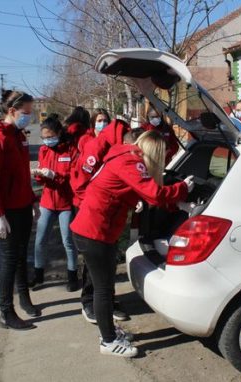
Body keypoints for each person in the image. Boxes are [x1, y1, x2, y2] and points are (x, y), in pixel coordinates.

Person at [70, 131, 194, 357]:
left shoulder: (123, 156)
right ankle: (108, 341)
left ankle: (109, 333)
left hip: (96, 230)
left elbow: (126, 190)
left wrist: (142, 200)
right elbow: (155, 194)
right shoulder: (131, 161)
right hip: (94, 233)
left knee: (104, 287)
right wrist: (183, 188)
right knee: (103, 289)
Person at [0, 90, 40, 331]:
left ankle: (25, 299)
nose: (29, 117)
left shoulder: (19, 136)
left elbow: (23, 174)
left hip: (23, 205)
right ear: (12, 111)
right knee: (9, 259)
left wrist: (33, 200)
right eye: (26, 112)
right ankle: (6, 312)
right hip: (5, 211)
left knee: (21, 255)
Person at [71, 120, 139, 323]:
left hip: (107, 210)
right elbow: (80, 181)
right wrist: (92, 206)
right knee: (94, 261)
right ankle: (89, 302)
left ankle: (107, 301)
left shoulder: (121, 144)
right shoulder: (97, 146)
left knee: (107, 262)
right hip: (91, 208)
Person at [31, 114, 79, 292]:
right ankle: (38, 276)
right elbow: (43, 178)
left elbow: (74, 177)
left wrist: (55, 175)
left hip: (65, 203)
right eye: (44, 138)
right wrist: (39, 174)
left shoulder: (70, 150)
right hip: (47, 202)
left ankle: (73, 276)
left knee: (68, 241)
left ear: (58, 133)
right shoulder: (44, 150)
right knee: (40, 240)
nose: (47, 141)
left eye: (50, 137)